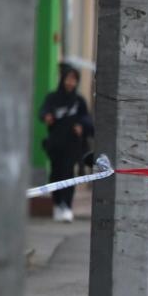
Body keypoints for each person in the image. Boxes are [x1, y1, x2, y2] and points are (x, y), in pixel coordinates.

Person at [38, 64, 94, 221]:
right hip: (55, 144)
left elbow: (88, 120)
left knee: (68, 174)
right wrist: (47, 117)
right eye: (68, 79)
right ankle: (57, 204)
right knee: (56, 174)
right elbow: (43, 112)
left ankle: (67, 206)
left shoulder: (79, 101)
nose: (70, 83)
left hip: (73, 145)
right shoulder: (53, 98)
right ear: (63, 80)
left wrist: (81, 126)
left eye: (74, 80)